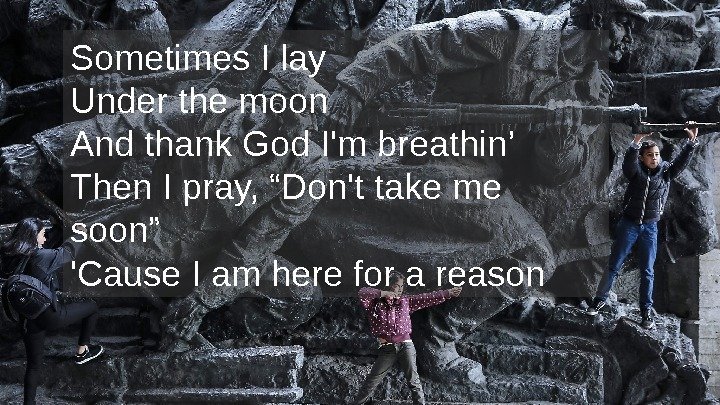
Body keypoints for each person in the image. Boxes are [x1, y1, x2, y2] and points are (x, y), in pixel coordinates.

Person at [587, 122, 701, 328]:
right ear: (642, 157)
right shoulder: (636, 171)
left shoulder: (666, 172)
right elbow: (628, 165)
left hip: (650, 228)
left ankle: (646, 311)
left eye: (656, 155)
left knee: (647, 270)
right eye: (650, 155)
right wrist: (637, 141)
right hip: (629, 225)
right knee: (614, 265)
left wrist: (691, 142)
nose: (654, 158)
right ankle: (599, 300)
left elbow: (680, 163)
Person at [0, 218, 102, 405]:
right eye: (42, 234)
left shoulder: (11, 256)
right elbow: (67, 253)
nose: (45, 238)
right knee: (93, 307)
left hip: (27, 318)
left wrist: (58, 227)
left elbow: (49, 247)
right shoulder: (41, 257)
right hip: (50, 316)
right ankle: (82, 351)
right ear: (33, 236)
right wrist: (80, 233)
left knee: (33, 366)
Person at [354, 271, 462, 405]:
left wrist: (447, 293)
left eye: (401, 286)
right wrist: (383, 293)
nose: (400, 289)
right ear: (388, 284)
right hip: (387, 349)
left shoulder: (405, 301)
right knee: (372, 380)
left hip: (406, 346)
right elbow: (362, 292)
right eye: (397, 286)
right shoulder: (373, 303)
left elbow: (427, 298)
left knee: (413, 381)